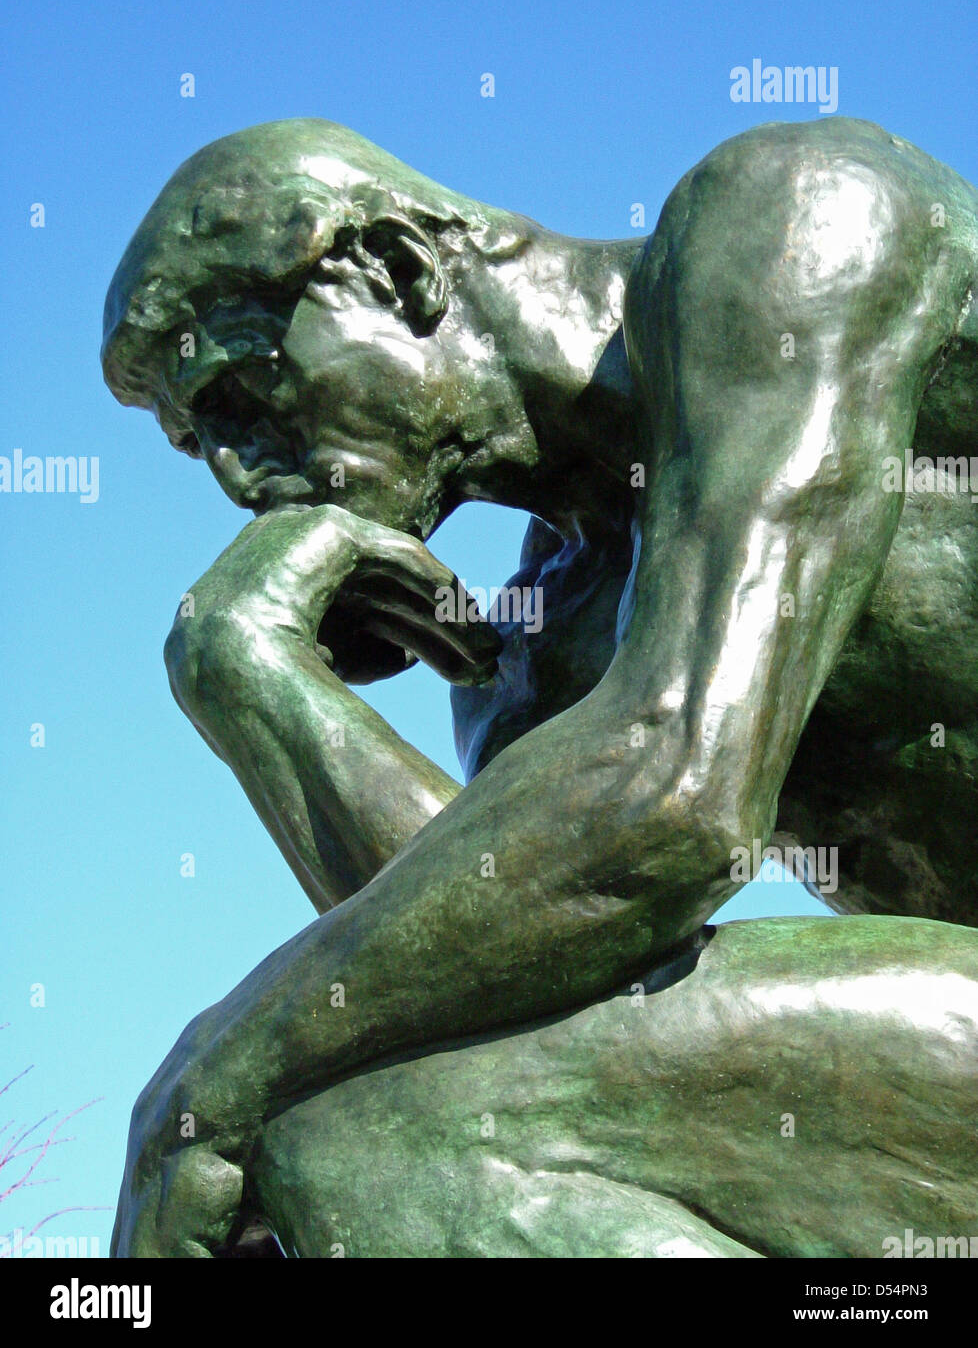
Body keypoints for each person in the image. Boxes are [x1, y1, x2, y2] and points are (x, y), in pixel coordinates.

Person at [101, 115, 978, 1255]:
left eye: (239, 397)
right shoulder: (536, 641)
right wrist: (247, 670)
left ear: (396, 271)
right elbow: (488, 972)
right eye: (196, 446)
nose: (235, 474)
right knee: (342, 1153)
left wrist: (206, 1083)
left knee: (370, 1138)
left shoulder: (790, 225)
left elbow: (676, 795)